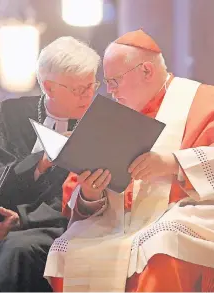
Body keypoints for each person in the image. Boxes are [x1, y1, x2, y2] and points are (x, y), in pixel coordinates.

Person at [44, 30, 214, 292]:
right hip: (120, 224)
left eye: (115, 81)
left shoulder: (203, 101)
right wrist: (91, 193)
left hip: (186, 214)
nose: (110, 91)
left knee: (164, 240)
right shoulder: (109, 117)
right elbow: (79, 198)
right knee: (69, 248)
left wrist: (173, 163)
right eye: (107, 83)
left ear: (146, 71)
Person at [0, 36, 100, 292]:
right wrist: (42, 162)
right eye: (78, 89)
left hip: (64, 225)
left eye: (91, 85)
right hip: (2, 222)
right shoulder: (7, 116)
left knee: (19, 250)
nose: (88, 96)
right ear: (49, 87)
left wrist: (23, 219)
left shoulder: (100, 124)